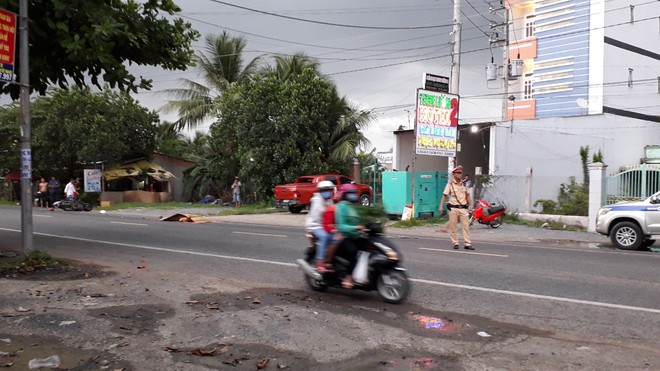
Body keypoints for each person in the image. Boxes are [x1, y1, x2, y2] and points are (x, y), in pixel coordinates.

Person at [334, 184, 398, 289]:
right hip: (345, 237)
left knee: (371, 247)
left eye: (354, 193)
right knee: (354, 251)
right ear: (345, 194)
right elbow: (341, 226)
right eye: (351, 193)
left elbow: (362, 219)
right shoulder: (341, 206)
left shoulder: (356, 206)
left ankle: (367, 274)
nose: (353, 195)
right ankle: (348, 277)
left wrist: (372, 224)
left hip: (357, 236)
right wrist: (355, 227)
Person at [439, 165, 474, 250]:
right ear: (454, 174)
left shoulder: (464, 185)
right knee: (453, 226)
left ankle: (467, 243)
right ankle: (455, 242)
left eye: (460, 173)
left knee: (466, 227)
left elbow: (468, 196)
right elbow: (444, 195)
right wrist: (441, 206)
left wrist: (471, 206)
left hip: (463, 208)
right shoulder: (450, 184)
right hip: (453, 208)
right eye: (458, 173)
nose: (460, 174)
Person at [304, 180, 335, 273]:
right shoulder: (316, 201)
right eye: (325, 190)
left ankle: (330, 260)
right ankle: (320, 262)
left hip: (325, 225)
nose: (327, 192)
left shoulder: (329, 201)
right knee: (325, 236)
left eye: (329, 190)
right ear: (320, 191)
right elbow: (316, 219)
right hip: (315, 226)